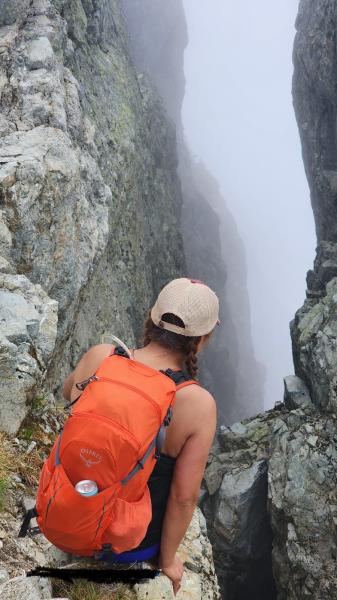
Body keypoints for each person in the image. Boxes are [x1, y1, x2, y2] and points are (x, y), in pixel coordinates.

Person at [63, 278, 218, 596]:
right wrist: (168, 560)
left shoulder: (102, 356)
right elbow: (183, 497)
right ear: (202, 339)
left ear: (152, 316)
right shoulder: (196, 404)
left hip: (63, 510)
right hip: (126, 544)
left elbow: (69, 395)